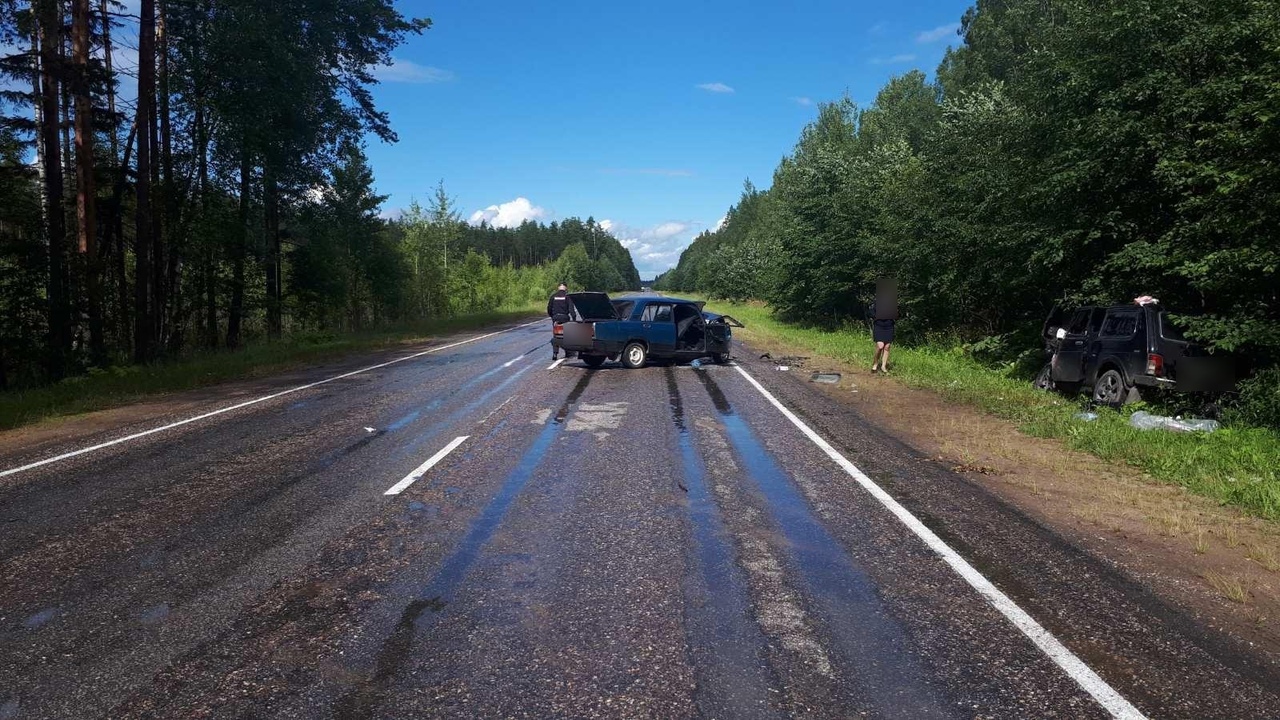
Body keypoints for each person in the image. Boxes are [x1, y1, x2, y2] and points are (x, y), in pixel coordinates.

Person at [868, 300, 896, 374]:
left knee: (887, 346)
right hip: (879, 325)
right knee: (880, 346)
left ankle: (883, 366)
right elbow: (871, 311)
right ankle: (875, 363)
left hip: (889, 326)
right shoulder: (877, 301)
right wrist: (876, 317)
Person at [547, 283, 571, 359]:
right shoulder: (567, 296)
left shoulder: (553, 296)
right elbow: (571, 310)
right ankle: (567, 352)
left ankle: (555, 353)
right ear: (566, 288)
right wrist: (574, 319)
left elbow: (549, 308)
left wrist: (552, 316)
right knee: (567, 335)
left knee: (555, 335)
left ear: (558, 288)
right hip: (564, 317)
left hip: (555, 318)